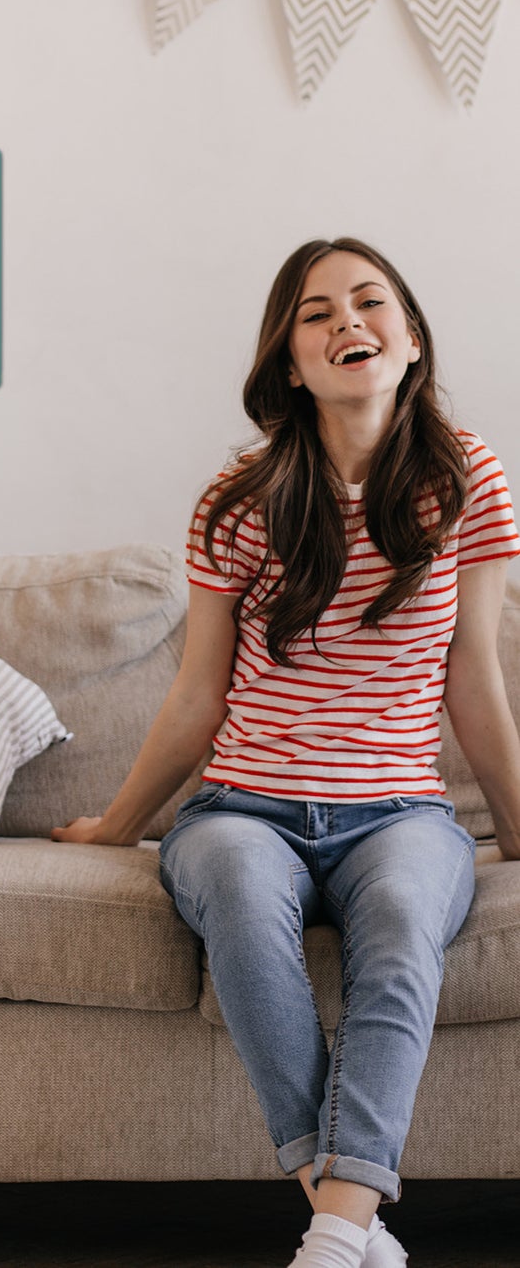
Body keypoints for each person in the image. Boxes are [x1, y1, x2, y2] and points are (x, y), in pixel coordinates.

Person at [51, 238, 520, 1268]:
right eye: (316, 312)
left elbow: (471, 676)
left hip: (398, 813)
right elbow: (197, 694)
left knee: (401, 920)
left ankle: (332, 1231)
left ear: (407, 341)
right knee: (232, 893)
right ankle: (348, 1220)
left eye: (368, 301)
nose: (346, 321)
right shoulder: (239, 494)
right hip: (240, 807)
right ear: (288, 360)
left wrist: (519, 831)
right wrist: (117, 826)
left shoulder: (465, 476)